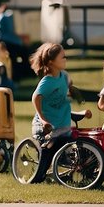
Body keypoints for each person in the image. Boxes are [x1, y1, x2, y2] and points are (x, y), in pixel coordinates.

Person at [30, 42, 77, 181]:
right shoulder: (48, 81)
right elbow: (35, 98)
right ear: (51, 63)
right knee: (48, 148)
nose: (65, 59)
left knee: (70, 149)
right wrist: (43, 119)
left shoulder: (64, 76)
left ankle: (67, 174)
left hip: (62, 125)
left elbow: (69, 87)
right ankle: (37, 178)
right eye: (62, 57)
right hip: (46, 126)